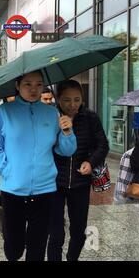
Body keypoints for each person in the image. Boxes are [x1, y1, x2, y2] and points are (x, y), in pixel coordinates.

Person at [0, 71, 76, 261]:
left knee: (38, 245)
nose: (34, 89)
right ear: (18, 86)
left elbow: (65, 151)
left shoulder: (52, 113)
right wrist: (5, 170)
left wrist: (67, 131)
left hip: (45, 189)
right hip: (13, 189)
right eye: (28, 84)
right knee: (14, 245)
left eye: (38, 84)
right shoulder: (5, 111)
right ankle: (13, 251)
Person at [47, 80, 109, 261]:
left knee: (78, 231)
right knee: (56, 233)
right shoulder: (51, 117)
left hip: (81, 182)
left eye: (77, 99)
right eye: (66, 100)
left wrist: (91, 163)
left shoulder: (90, 117)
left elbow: (102, 145)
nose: (72, 105)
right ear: (58, 99)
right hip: (55, 182)